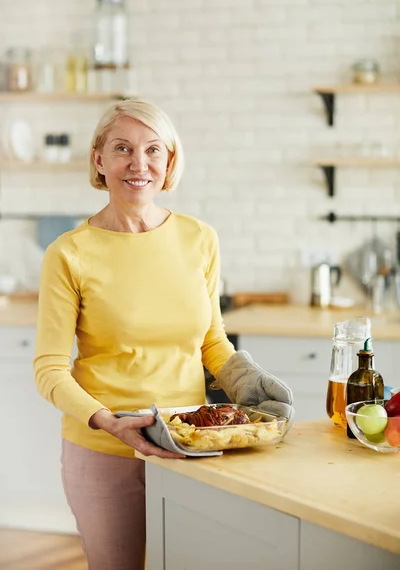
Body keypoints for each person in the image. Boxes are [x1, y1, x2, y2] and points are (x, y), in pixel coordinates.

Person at [33, 97, 294, 570]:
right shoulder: (68, 253)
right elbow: (49, 369)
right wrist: (107, 421)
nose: (139, 164)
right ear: (99, 159)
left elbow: (211, 341)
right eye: (122, 148)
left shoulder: (200, 239)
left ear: (170, 161)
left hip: (189, 442)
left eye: (154, 149)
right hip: (105, 449)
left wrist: (243, 378)